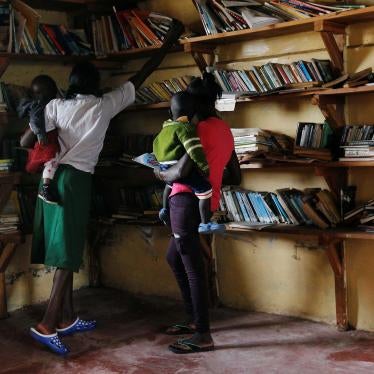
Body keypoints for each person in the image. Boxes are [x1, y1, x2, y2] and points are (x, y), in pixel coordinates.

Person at [24, 19, 185, 356]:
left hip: (51, 180)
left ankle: (66, 318)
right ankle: (47, 324)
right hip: (75, 181)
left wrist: (41, 129)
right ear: (96, 85)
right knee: (67, 256)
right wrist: (168, 41)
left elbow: (28, 139)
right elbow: (141, 77)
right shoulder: (103, 105)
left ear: (70, 84)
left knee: (65, 250)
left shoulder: (55, 107)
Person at [154, 72, 241, 354]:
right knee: (174, 257)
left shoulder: (197, 130)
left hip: (186, 202)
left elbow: (180, 172)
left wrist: (157, 170)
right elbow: (235, 175)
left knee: (192, 267)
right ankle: (193, 320)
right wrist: (211, 177)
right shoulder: (224, 129)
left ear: (194, 103)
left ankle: (203, 334)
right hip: (204, 200)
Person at [153, 91, 225, 234]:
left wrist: (159, 166)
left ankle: (164, 209)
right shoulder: (187, 129)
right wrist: (204, 167)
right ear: (192, 114)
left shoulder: (165, 128)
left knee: (168, 186)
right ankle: (205, 224)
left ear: (169, 111)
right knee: (205, 190)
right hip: (182, 181)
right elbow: (194, 152)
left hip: (164, 165)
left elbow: (155, 145)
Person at [17, 75, 60, 204]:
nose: (41, 97)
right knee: (53, 159)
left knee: (53, 160)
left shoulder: (57, 105)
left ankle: (45, 188)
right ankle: (45, 188)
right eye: (37, 93)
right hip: (46, 143)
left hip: (52, 142)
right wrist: (40, 135)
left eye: (45, 93)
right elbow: (34, 123)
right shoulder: (38, 107)